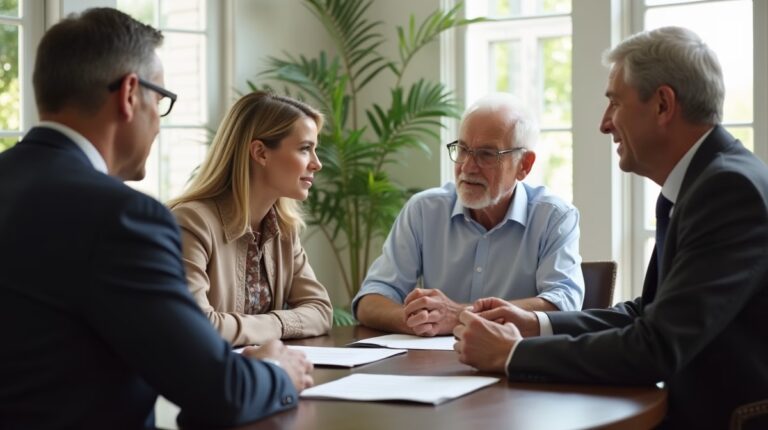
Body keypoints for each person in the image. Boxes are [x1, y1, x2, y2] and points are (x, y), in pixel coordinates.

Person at [0, 8, 313, 429]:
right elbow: (221, 391)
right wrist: (278, 372)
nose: (160, 126)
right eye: (161, 100)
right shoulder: (122, 218)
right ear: (130, 94)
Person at [453, 27, 768, 429]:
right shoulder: (705, 180)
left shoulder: (726, 190)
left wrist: (512, 355)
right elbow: (647, 312)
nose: (605, 124)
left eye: (614, 103)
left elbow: (654, 348)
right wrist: (534, 324)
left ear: (662, 104)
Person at [353, 93, 584, 337]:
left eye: (486, 154)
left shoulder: (554, 217)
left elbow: (563, 303)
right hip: (429, 366)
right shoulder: (424, 210)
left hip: (514, 365)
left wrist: (459, 316)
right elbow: (371, 299)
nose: (467, 166)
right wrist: (419, 319)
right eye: (462, 149)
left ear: (524, 165)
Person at [168, 91, 332, 347]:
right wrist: (279, 324)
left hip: (266, 375)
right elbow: (195, 325)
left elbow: (321, 311)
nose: (317, 164)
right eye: (305, 149)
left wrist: (271, 325)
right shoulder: (191, 222)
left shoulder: (284, 229)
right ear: (260, 153)